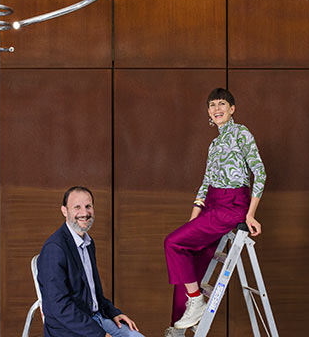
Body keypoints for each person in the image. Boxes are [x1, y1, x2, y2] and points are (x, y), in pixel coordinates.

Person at [162, 88, 267, 336]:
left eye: (222, 103)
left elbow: (260, 173)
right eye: (211, 105)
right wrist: (192, 221)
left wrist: (250, 214)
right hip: (212, 205)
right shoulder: (214, 144)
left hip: (232, 206)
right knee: (187, 260)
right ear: (208, 112)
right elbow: (205, 183)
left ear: (232, 109)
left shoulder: (242, 133)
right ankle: (179, 326)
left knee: (172, 244)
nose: (216, 108)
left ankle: (196, 302)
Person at [38, 186, 145, 337]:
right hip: (69, 330)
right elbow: (59, 307)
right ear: (64, 211)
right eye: (77, 207)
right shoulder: (54, 249)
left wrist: (113, 313)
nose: (84, 213)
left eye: (88, 206)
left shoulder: (88, 243)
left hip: (95, 319)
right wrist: (100, 335)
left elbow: (94, 295)